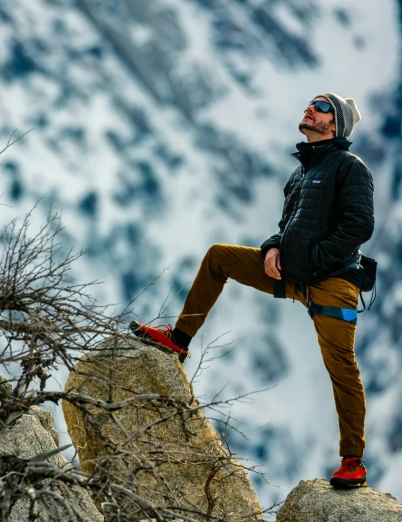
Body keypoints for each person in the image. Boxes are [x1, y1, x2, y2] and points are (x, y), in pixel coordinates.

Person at [130, 93, 374, 489]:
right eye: (311, 103)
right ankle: (178, 340)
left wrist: (314, 258)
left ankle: (353, 461)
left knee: (341, 368)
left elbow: (359, 226)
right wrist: (272, 247)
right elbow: (287, 225)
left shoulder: (349, 167)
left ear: (336, 124)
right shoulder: (301, 172)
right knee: (219, 258)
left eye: (323, 107)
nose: (310, 109)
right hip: (292, 273)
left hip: (332, 281)